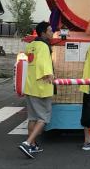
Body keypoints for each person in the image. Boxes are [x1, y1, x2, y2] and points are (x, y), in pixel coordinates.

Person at [18, 22, 54, 159]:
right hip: (41, 88)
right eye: (50, 30)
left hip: (30, 86)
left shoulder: (31, 45)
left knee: (32, 117)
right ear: (43, 33)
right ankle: (27, 143)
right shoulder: (44, 46)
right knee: (43, 117)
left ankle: (32, 145)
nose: (52, 32)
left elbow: (31, 60)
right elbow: (43, 64)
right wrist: (49, 75)